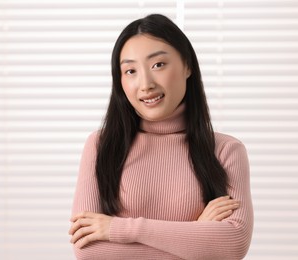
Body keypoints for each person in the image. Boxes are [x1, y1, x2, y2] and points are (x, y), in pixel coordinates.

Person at [69, 14, 253, 260]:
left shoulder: (225, 150)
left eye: (158, 65)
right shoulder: (102, 146)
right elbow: (88, 250)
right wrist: (197, 236)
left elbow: (233, 245)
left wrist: (118, 229)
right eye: (131, 70)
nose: (145, 84)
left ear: (187, 65)